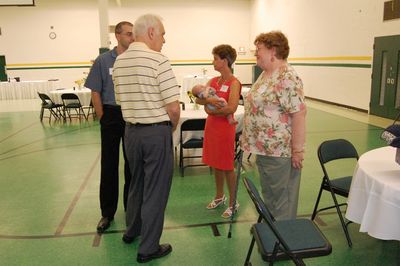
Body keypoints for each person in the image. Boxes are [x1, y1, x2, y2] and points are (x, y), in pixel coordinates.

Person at [113, 14, 180, 264]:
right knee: (156, 190)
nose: (164, 40)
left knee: (136, 184)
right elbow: (173, 108)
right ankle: (148, 247)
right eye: (162, 34)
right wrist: (169, 128)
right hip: (155, 132)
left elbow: (120, 101)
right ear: (151, 32)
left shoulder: (119, 62)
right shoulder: (159, 60)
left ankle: (132, 231)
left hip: (131, 132)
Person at [240, 31, 307, 220]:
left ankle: (283, 240)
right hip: (263, 149)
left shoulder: (287, 77)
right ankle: (273, 235)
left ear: (273, 50)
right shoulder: (266, 74)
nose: (256, 54)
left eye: (259, 49)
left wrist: (298, 151)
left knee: (282, 200)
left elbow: (299, 114)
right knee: (270, 196)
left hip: (280, 152)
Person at [84, 21, 135, 233]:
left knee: (132, 165)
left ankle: (131, 210)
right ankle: (107, 213)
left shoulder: (135, 60)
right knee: (109, 165)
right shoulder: (103, 61)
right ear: (117, 36)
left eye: (133, 34)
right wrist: (102, 114)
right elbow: (95, 90)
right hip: (111, 114)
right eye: (129, 34)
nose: (132, 38)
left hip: (132, 114)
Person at [195, 44, 242, 218]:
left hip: (224, 129)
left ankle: (233, 201)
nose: (213, 62)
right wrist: (209, 104)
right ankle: (219, 196)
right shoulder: (213, 81)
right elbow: (198, 99)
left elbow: (231, 108)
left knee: (227, 166)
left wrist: (211, 109)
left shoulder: (234, 83)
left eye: (215, 58)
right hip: (212, 127)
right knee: (216, 163)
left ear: (225, 60)